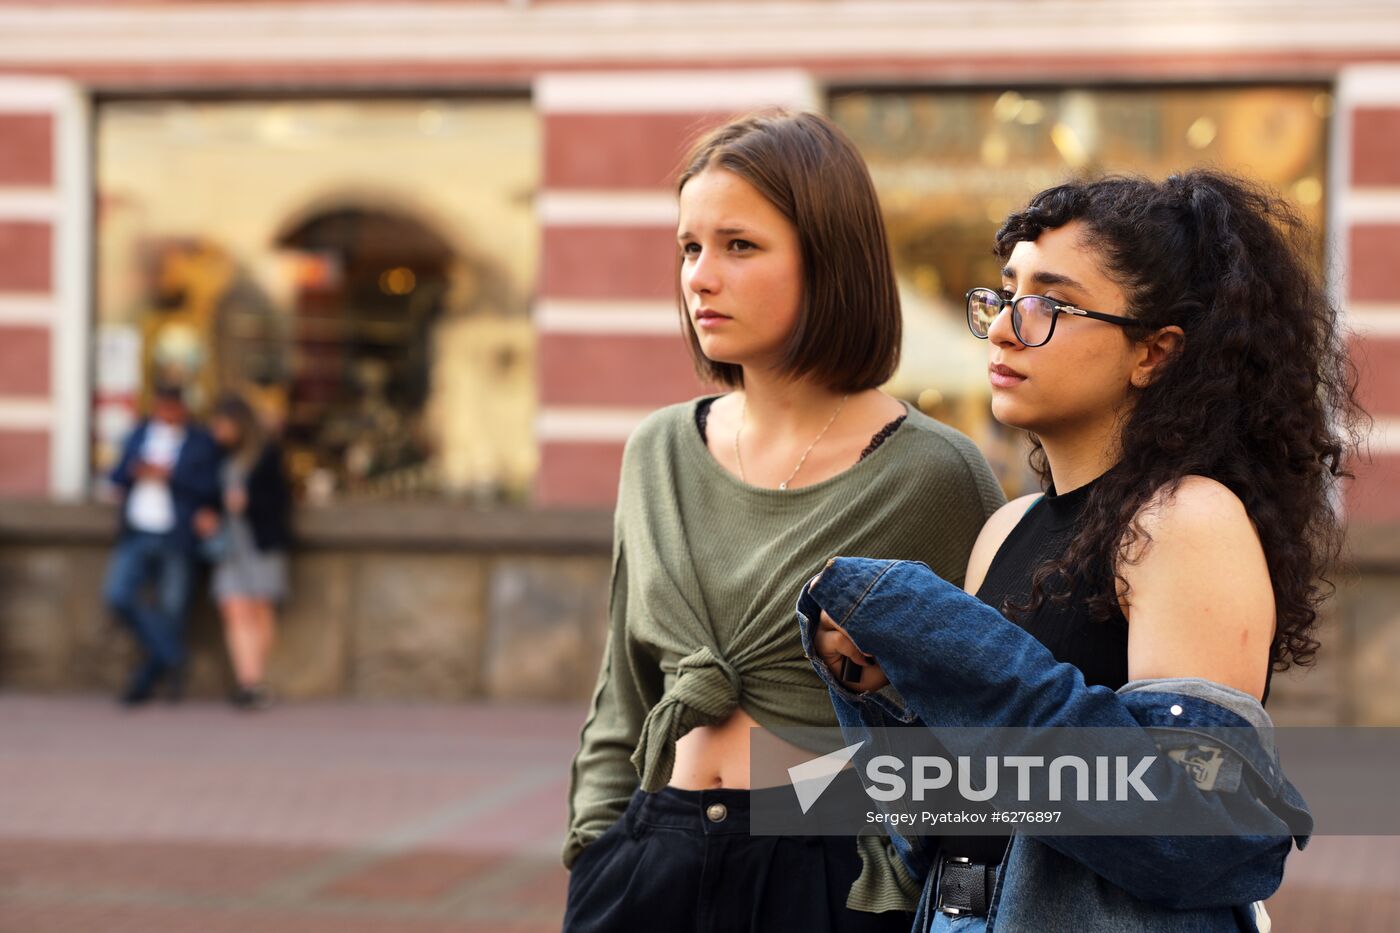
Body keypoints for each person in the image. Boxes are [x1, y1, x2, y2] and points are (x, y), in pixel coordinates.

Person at [805, 171, 1364, 930]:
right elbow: (945, 819)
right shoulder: (1007, 526)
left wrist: (945, 637)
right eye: (1004, 295)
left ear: (1154, 352)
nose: (1004, 326)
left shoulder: (1185, 520)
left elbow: (1197, 832)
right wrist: (886, 695)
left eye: (1049, 305)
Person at [561, 110, 1006, 932]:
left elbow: (980, 735)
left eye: (739, 245)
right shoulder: (657, 449)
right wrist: (595, 852)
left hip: (830, 876)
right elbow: (622, 693)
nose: (699, 276)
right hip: (650, 861)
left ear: (829, 261)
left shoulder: (935, 475)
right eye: (689, 247)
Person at [103, 382, 222, 705]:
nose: (165, 412)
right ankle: (171, 657)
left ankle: (155, 679)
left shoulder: (199, 440)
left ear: (182, 408)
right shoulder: (139, 435)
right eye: (160, 406)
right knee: (119, 595)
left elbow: (212, 487)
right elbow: (114, 477)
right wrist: (135, 472)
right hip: (137, 531)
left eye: (171, 406)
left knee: (173, 609)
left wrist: (170, 476)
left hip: (177, 535)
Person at [206, 391, 292, 711]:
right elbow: (201, 490)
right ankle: (249, 682)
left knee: (259, 609)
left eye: (223, 425)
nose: (218, 431)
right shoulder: (215, 454)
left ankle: (254, 681)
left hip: (259, 541)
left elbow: (282, 500)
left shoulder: (266, 454)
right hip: (229, 545)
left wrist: (249, 502)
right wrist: (209, 512)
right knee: (233, 608)